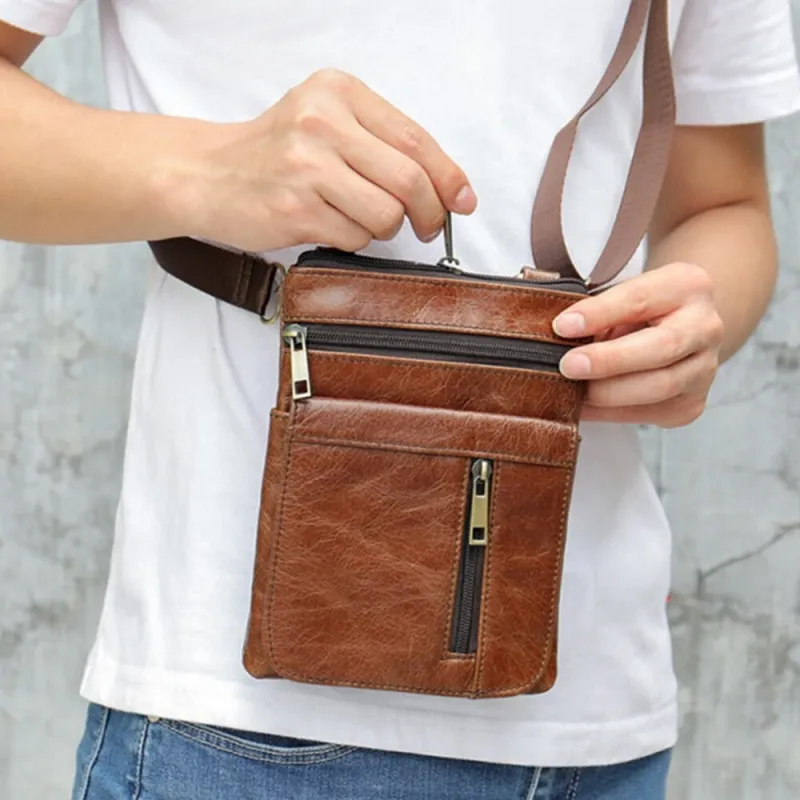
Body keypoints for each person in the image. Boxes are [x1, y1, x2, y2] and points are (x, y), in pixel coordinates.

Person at [1, 0, 798, 798]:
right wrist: (210, 169)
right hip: (240, 727)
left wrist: (696, 324)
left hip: (601, 721)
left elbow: (721, 204)